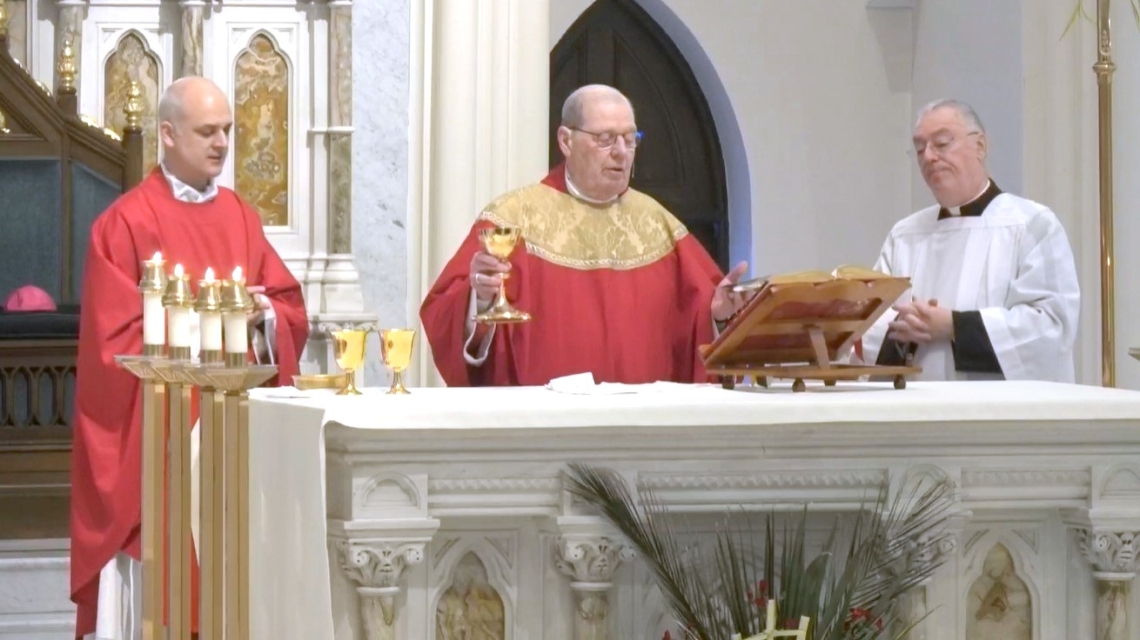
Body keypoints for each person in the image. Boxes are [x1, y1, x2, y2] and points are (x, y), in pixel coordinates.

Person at [70, 76, 309, 639]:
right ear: (168, 135)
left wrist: (263, 316)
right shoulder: (125, 223)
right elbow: (112, 345)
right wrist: (210, 323)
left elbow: (285, 303)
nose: (222, 143)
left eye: (227, 129)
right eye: (207, 131)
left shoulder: (240, 217)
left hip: (233, 435)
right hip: (162, 440)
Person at [420, 85, 748, 386]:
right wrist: (480, 299)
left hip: (642, 432)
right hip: (544, 434)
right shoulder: (514, 217)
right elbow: (442, 312)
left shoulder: (658, 224)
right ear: (566, 141)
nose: (622, 152)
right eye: (605, 138)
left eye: (630, 138)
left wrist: (716, 314)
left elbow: (698, 325)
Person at [862, 99, 1080, 381]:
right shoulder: (904, 235)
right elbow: (868, 323)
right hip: (916, 412)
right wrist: (903, 328)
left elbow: (1050, 328)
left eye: (941, 144)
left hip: (996, 416)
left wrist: (954, 326)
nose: (928, 156)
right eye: (919, 148)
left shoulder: (1032, 225)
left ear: (980, 146)